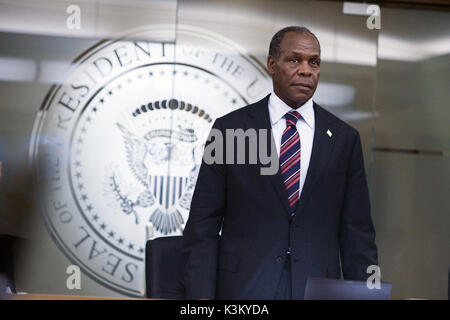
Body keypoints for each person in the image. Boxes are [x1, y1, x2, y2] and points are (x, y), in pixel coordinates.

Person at [182, 26, 378, 300]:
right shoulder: (232, 130)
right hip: (244, 289)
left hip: (317, 290)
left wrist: (365, 297)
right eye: (294, 60)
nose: (306, 70)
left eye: (314, 62)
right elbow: (202, 226)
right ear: (272, 64)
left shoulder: (344, 139)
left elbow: (358, 236)